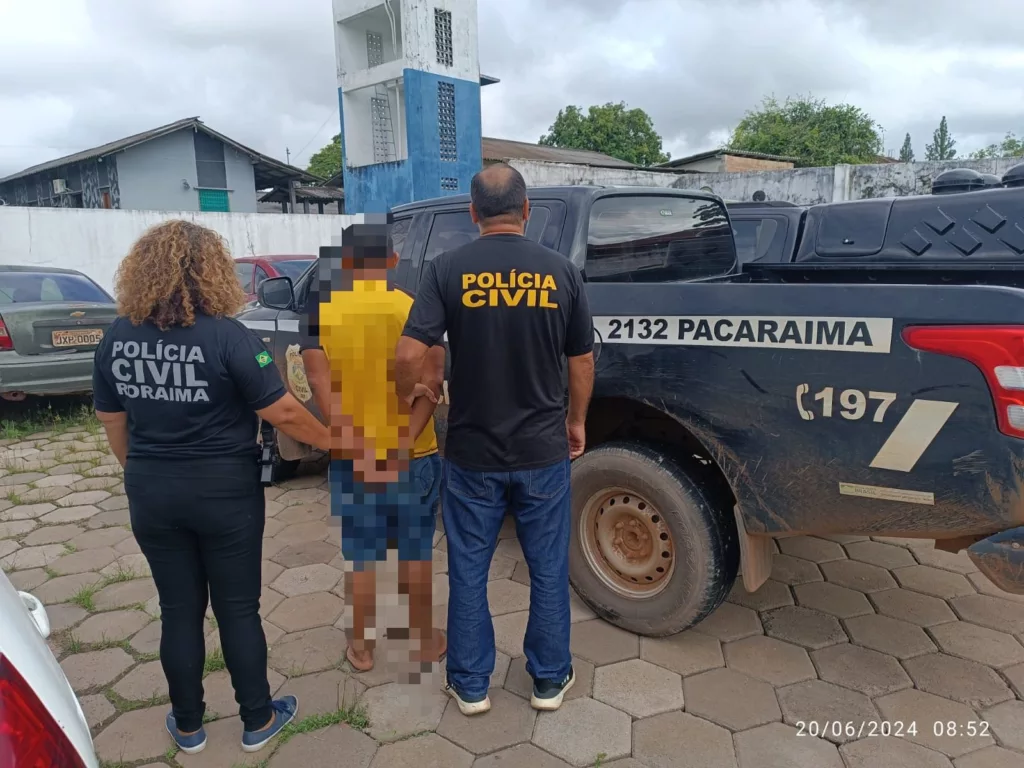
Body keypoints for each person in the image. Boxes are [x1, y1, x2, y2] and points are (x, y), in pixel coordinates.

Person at [91, 221, 331, 756]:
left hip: (152, 491)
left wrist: (143, 471)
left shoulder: (116, 337)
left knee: (178, 610)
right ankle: (257, 718)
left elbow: (112, 421)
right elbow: (284, 409)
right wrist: (336, 442)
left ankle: (189, 725)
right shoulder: (230, 336)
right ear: (212, 272)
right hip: (225, 494)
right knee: (237, 608)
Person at [395, 163, 595, 716]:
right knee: (549, 567)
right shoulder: (561, 272)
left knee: (468, 568)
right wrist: (576, 421)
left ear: (472, 214)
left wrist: (409, 396)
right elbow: (581, 359)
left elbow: (411, 353)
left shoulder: (446, 268)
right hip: (542, 450)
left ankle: (471, 684)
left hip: (472, 453)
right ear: (526, 210)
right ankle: (549, 680)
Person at [297, 221, 448, 673]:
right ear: (392, 261)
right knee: (414, 549)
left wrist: (347, 438)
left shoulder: (321, 313)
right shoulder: (414, 308)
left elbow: (317, 381)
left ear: (345, 263)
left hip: (352, 455)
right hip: (413, 454)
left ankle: (361, 645)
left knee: (361, 554)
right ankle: (421, 638)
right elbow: (433, 380)